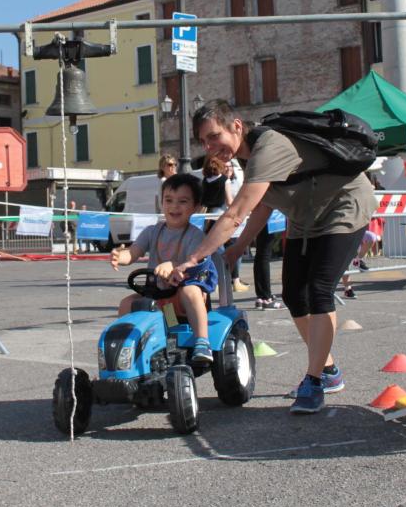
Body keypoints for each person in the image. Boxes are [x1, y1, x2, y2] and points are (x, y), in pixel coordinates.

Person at [175, 99, 375, 414]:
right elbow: (264, 205)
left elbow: (236, 213)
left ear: (236, 126)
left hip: (343, 205)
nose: (210, 147)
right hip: (305, 216)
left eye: (214, 136)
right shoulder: (247, 157)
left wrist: (194, 257)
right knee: (294, 295)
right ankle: (328, 370)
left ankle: (314, 381)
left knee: (320, 290)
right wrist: (238, 248)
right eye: (203, 141)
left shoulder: (268, 146)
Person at [111, 173, 216, 363]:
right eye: (169, 200)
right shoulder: (152, 231)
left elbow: (194, 262)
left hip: (184, 297)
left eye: (182, 201)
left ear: (196, 207)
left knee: (190, 290)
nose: (174, 206)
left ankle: (202, 341)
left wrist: (173, 265)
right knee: (127, 303)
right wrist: (121, 256)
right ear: (162, 203)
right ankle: (127, 349)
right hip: (160, 298)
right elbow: (134, 252)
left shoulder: (196, 236)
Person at [200, 156, 249, 293]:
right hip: (222, 217)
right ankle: (233, 281)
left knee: (213, 252)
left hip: (208, 218)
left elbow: (202, 200)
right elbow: (229, 202)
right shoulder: (224, 180)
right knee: (229, 250)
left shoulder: (205, 181)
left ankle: (214, 282)